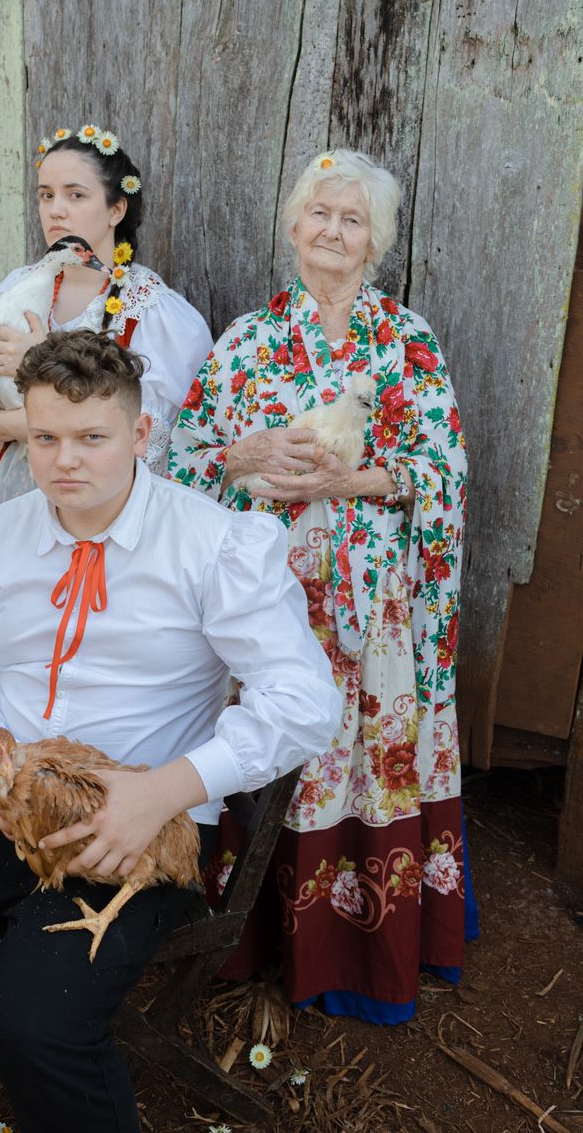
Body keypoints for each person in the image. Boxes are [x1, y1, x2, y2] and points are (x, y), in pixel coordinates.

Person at [0, 331, 341, 1132]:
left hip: (133, 826)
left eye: (91, 438)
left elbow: (303, 702)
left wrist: (161, 791)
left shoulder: (215, 545)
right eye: (44, 437)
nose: (64, 460)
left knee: (33, 1029)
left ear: (141, 436)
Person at [169, 148, 477, 1025]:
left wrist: (349, 483)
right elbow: (184, 456)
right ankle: (251, 936)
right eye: (320, 213)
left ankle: (358, 948)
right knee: (272, 741)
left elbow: (442, 466)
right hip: (268, 594)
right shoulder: (250, 342)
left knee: (358, 749)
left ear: (374, 240)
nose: (333, 231)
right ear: (294, 225)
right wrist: (246, 454)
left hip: (374, 602)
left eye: (353, 219)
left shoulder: (406, 341)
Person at [0, 123, 212, 508]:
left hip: (109, 514)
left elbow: (158, 444)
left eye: (76, 195)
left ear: (116, 209)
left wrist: (43, 364)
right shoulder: (17, 290)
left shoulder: (153, 312)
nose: (56, 210)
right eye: (46, 195)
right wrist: (30, 427)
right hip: (19, 505)